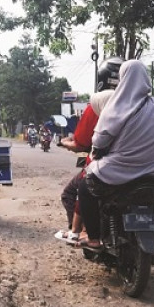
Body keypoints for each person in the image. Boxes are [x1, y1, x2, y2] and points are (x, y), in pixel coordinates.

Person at [78, 59, 154, 249]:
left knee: (84, 187)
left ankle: (93, 237)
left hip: (121, 172)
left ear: (123, 79)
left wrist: (99, 151)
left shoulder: (117, 105)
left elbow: (99, 141)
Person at [56, 57, 123, 242]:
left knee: (73, 191)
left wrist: (65, 143)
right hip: (142, 166)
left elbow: (81, 143)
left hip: (106, 167)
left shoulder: (97, 105)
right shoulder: (143, 105)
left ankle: (82, 231)